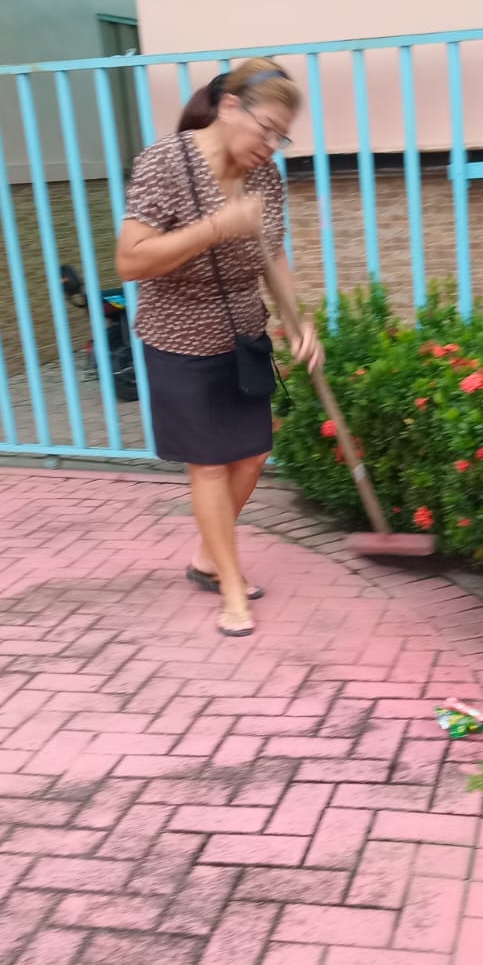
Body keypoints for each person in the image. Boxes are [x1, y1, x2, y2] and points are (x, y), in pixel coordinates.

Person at [115, 57, 323, 637]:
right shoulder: (166, 162)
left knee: (252, 455)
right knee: (208, 466)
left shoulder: (264, 176)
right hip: (178, 335)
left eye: (282, 137)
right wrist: (215, 227)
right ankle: (231, 586)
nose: (271, 146)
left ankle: (210, 556)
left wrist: (298, 321)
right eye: (267, 130)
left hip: (242, 332)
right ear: (230, 107)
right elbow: (129, 260)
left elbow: (271, 250)